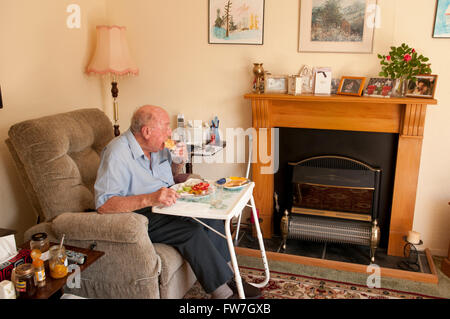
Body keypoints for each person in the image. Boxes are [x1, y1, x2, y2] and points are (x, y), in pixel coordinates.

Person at [94, 105, 261, 299]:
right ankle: (223, 294)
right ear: (147, 131)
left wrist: (177, 161)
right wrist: (150, 198)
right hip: (140, 214)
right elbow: (104, 204)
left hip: (167, 204)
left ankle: (232, 279)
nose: (170, 132)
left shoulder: (157, 146)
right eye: (165, 127)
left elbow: (170, 178)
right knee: (191, 231)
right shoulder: (117, 153)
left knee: (212, 216)